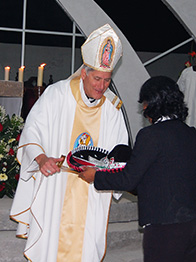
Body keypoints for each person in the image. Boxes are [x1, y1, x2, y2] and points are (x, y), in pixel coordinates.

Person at [10, 24, 128, 262]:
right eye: (96, 78)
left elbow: (119, 153)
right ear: (83, 73)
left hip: (92, 190)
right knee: (52, 247)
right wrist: (41, 159)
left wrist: (104, 173)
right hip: (57, 186)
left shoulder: (112, 109)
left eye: (107, 80)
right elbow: (32, 131)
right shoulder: (56, 95)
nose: (101, 86)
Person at [79, 76, 196, 262]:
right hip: (191, 225)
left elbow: (129, 179)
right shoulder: (191, 134)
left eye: (145, 103)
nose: (143, 109)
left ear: (152, 104)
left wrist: (96, 176)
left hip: (164, 226)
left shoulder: (151, 135)